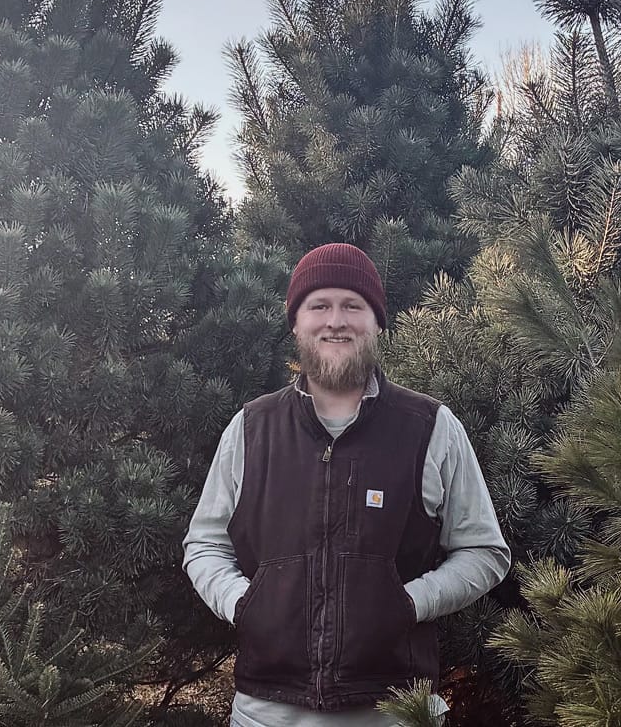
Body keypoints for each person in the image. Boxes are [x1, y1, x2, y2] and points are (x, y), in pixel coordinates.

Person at [183, 243, 511, 727]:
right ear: (296, 323)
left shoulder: (430, 427)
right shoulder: (252, 428)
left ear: (377, 322)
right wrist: (245, 603)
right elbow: (204, 543)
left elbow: (484, 551)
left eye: (352, 305)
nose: (336, 320)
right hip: (267, 713)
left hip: (394, 711)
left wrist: (409, 602)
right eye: (319, 305)